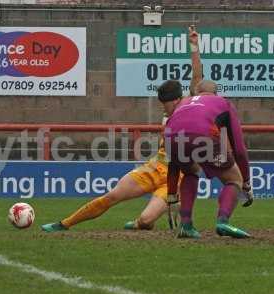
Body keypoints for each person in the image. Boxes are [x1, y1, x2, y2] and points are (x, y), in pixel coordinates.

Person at [41, 26, 203, 233]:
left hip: (177, 176)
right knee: (112, 196)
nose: (163, 108)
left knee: (146, 221)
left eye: (165, 103)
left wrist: (194, 46)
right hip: (154, 167)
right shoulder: (169, 113)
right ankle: (64, 224)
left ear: (176, 100)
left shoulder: (190, 106)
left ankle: (139, 223)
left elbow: (197, 77)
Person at [157, 79, 253, 239]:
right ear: (216, 93)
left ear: (196, 91)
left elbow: (173, 163)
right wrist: (247, 183)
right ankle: (223, 221)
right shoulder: (223, 103)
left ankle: (185, 225)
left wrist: (172, 197)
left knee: (190, 170)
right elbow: (239, 149)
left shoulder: (183, 103)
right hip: (203, 137)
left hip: (170, 137)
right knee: (234, 179)